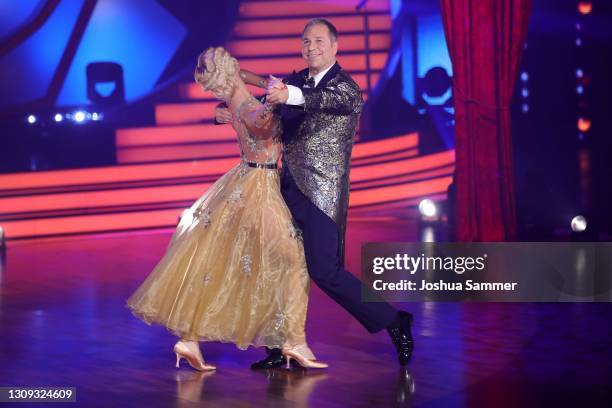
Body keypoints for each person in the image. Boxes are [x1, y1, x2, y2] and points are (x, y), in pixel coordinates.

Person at [126, 47, 327, 371]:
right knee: (294, 260)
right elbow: (267, 124)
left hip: (246, 181)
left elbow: (250, 94)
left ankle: (190, 339)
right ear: (231, 71)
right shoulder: (251, 110)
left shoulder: (239, 103)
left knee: (224, 268)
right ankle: (293, 341)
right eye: (235, 66)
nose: (239, 67)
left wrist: (268, 92)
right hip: (259, 189)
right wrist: (286, 101)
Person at [250, 18, 414, 369]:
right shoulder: (295, 81)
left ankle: (394, 320)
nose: (312, 47)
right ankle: (280, 347)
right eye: (307, 42)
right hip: (287, 189)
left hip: (323, 195)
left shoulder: (346, 89)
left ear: (335, 47)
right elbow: (268, 97)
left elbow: (314, 99)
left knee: (325, 271)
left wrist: (286, 94)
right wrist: (233, 106)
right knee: (281, 266)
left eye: (320, 42)